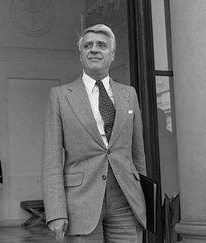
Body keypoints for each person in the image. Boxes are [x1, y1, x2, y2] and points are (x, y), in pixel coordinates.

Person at [41, 24, 147, 242]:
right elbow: (51, 160)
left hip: (126, 201)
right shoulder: (60, 96)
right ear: (81, 55)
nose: (94, 49)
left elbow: (138, 155)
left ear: (112, 55)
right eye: (87, 46)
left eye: (102, 45)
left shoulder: (129, 94)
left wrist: (143, 200)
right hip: (80, 204)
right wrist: (55, 212)